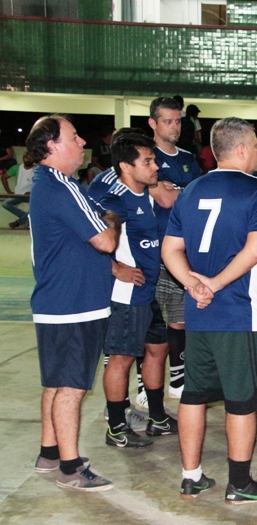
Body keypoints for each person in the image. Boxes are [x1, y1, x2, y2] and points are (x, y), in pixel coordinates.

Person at [161, 117, 257, 504]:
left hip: (199, 313)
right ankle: (240, 484)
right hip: (238, 312)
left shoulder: (191, 189)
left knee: (194, 394)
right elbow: (254, 250)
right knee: (242, 400)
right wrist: (214, 284)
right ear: (242, 149)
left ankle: (191, 476)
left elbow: (170, 250)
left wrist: (194, 284)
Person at [28, 115, 119, 491]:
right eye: (74, 136)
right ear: (52, 147)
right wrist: (111, 220)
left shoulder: (52, 185)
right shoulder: (60, 186)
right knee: (71, 387)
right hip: (73, 305)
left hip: (61, 302)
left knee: (56, 382)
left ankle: (50, 453)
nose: (82, 142)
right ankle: (69, 467)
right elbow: (105, 241)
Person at [98, 132, 175, 449]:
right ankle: (116, 427)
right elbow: (91, 241)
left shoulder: (145, 192)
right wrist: (114, 268)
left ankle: (157, 417)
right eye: (148, 161)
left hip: (150, 290)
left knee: (157, 349)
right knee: (121, 358)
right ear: (126, 167)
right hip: (128, 295)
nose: (155, 165)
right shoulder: (115, 202)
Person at [149, 97, 204, 402]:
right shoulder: (145, 157)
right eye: (167, 121)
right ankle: (146, 388)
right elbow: (166, 200)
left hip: (184, 254)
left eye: (178, 121)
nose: (174, 126)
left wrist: (173, 189)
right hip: (153, 254)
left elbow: (194, 199)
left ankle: (177, 377)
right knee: (152, 326)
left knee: (180, 320)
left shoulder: (188, 158)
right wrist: (176, 191)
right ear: (153, 123)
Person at [3, 153, 35, 229]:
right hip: (18, 195)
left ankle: (18, 222)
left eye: (30, 157)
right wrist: (9, 192)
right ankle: (27, 220)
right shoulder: (16, 167)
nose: (28, 159)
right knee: (5, 203)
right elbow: (4, 177)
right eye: (26, 157)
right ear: (23, 158)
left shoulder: (37, 169)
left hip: (31, 196)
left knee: (37, 206)